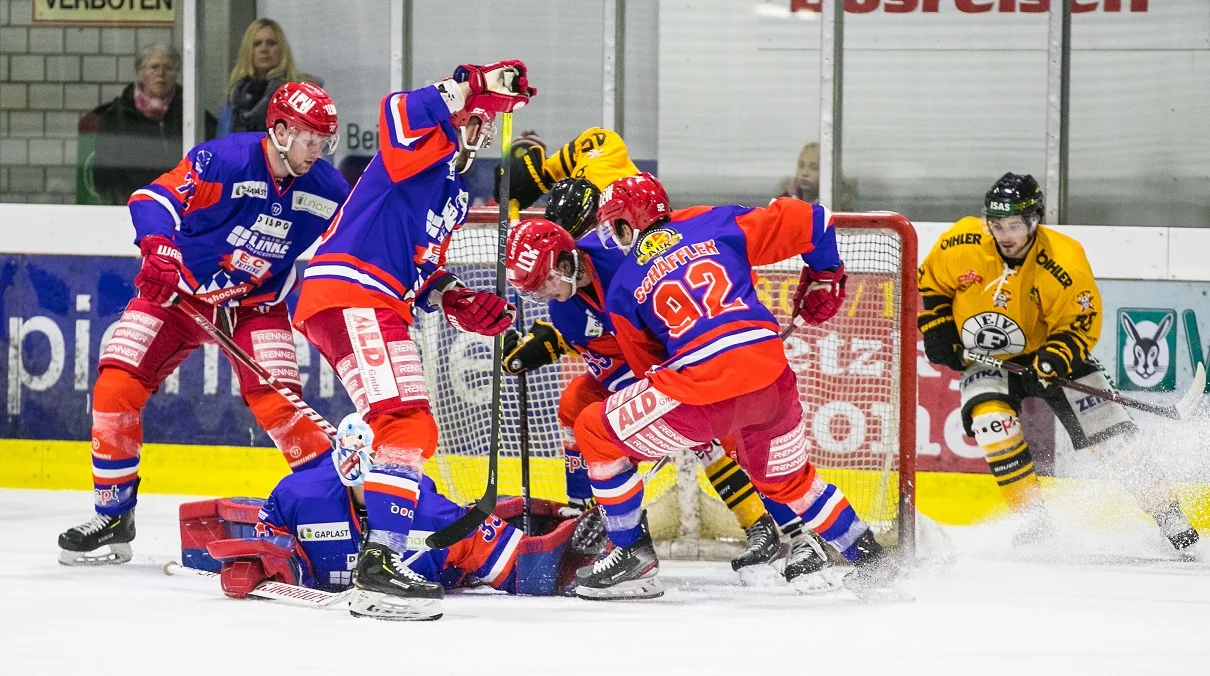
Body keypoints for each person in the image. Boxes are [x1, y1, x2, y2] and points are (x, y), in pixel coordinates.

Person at [57, 82, 350, 566]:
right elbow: (151, 200)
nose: (317, 151)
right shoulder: (223, 160)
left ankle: (336, 516)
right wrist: (158, 246)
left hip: (256, 305)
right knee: (115, 387)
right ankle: (113, 516)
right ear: (279, 130)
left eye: (325, 141)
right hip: (179, 296)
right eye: (309, 138)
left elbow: (363, 241)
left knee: (284, 409)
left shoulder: (329, 189)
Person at [569, 171, 897, 601]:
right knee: (791, 481)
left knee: (593, 428)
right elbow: (813, 219)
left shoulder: (624, 285)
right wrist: (825, 273)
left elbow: (652, 369)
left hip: (699, 395)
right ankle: (871, 563)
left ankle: (631, 553)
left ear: (624, 224)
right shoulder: (715, 223)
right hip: (772, 384)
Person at [291, 61, 536, 620]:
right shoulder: (418, 148)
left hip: (378, 301)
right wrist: (464, 87)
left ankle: (384, 558)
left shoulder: (451, 192)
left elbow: (421, 269)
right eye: (476, 120)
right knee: (404, 419)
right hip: (352, 293)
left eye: (484, 125)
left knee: (405, 424)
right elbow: (396, 112)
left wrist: (459, 301)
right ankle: (380, 563)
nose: (479, 132)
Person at [499, 128, 797, 584]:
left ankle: (775, 524)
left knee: (723, 434)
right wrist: (554, 339)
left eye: (586, 233)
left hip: (686, 346)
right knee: (577, 405)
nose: (585, 246)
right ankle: (591, 512)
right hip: (636, 360)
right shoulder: (565, 301)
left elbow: (601, 139)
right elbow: (604, 348)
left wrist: (544, 165)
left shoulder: (630, 247)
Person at [918, 172, 1200, 551]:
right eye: (997, 224)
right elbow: (932, 283)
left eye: (1014, 225)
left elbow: (1080, 325)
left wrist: (1054, 359)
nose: (1004, 234)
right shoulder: (962, 241)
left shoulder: (1064, 259)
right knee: (991, 422)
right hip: (989, 359)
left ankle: (1172, 520)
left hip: (1052, 354)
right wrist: (938, 332)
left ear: (1035, 220)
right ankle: (1035, 524)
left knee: (1117, 441)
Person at [184, 414, 600, 618]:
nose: (372, 489)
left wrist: (576, 552)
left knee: (492, 520)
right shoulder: (297, 493)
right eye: (363, 478)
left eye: (381, 479)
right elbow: (271, 535)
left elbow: (527, 570)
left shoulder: (437, 515)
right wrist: (269, 562)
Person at [90, 43, 184, 205]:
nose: (160, 74)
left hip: (180, 211)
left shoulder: (191, 114)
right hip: (131, 210)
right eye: (154, 67)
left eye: (168, 68)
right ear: (140, 74)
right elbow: (103, 173)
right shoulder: (115, 117)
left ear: (176, 74)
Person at [218, 18, 302, 137]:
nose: (264, 49)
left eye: (271, 43)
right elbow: (222, 146)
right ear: (248, 51)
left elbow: (317, 147)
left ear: (282, 49)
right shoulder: (234, 98)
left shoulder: (300, 96)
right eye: (257, 44)